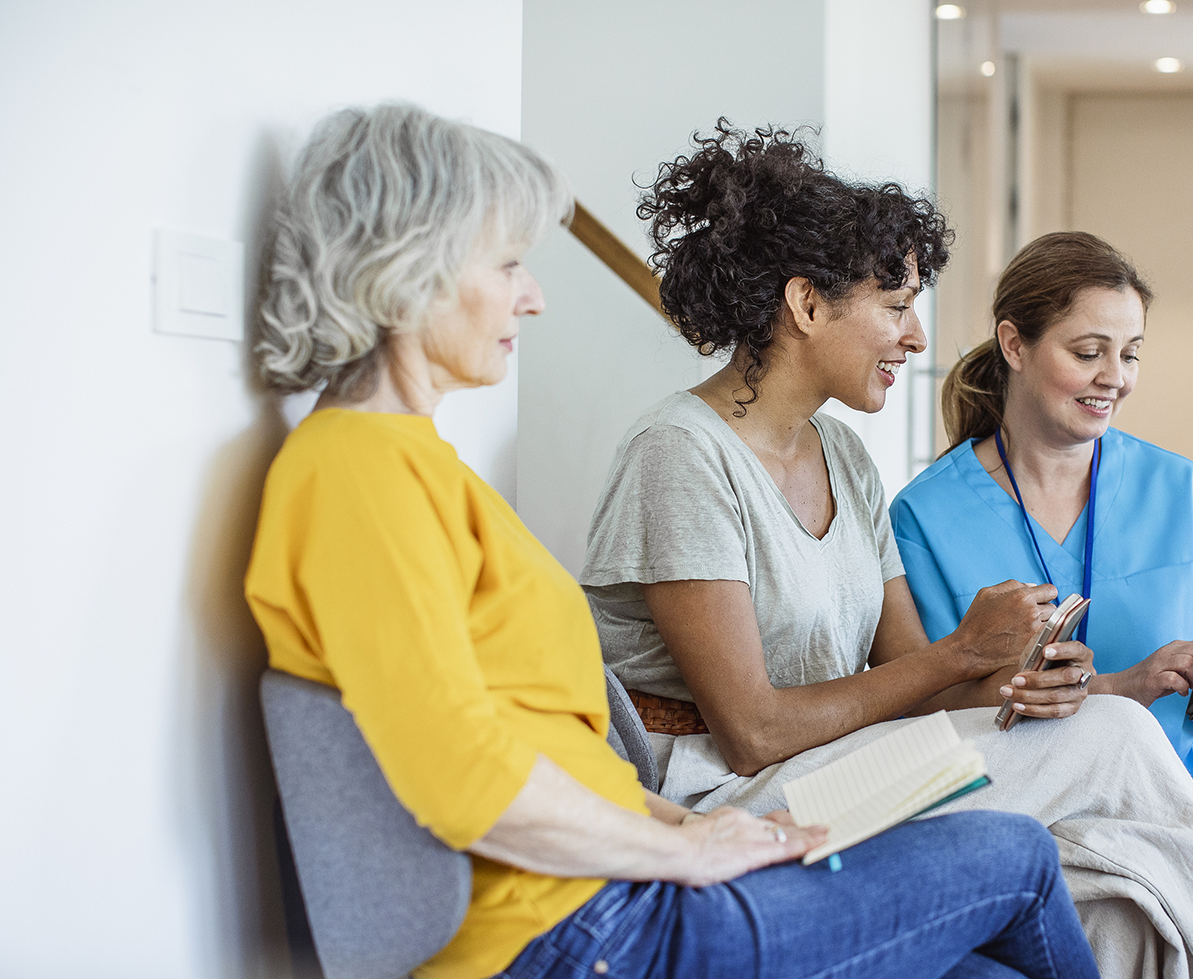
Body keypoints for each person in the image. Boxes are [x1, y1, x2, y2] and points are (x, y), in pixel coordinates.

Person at [243, 103, 1103, 979]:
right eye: (506, 264)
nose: (532, 295)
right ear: (407, 269)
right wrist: (685, 855)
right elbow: (463, 776)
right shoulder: (353, 470)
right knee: (1019, 856)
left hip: (612, 892)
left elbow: (551, 751)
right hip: (575, 932)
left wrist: (706, 830)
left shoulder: (420, 467)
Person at [581, 122, 1193, 979]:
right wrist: (968, 649)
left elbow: (917, 681)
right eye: (896, 306)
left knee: (1121, 893)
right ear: (807, 305)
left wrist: (1028, 680)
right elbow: (752, 731)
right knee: (1115, 742)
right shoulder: (680, 455)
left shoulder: (845, 460)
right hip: (726, 798)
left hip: (840, 766)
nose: (919, 337)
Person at [889, 230, 1193, 976]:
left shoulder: (1184, 494)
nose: (1115, 377)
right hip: (1020, 823)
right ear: (1015, 343)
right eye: (1089, 351)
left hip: (1168, 815)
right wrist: (1116, 688)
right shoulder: (923, 516)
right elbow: (931, 712)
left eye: (1130, 353)